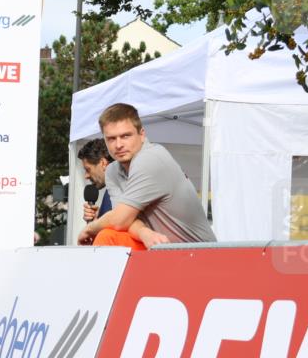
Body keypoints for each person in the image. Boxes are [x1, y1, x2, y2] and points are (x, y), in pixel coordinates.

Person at [78, 103, 216, 250]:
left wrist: (89, 228)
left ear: (142, 134)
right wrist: (143, 232)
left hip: (200, 255)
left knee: (107, 236)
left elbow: (119, 220)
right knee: (110, 235)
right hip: (161, 250)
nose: (118, 145)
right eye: (111, 139)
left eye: (125, 136)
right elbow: (125, 221)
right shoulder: (112, 171)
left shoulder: (150, 158)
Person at [78, 138, 114, 222]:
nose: (86, 176)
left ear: (103, 163)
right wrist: (98, 219)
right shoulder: (112, 189)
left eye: (88, 169)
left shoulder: (121, 188)